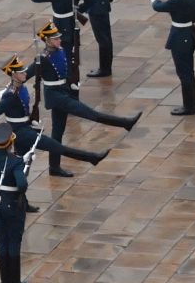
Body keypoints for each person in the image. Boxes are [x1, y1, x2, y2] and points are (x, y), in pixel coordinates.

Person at [0, 55, 108, 177]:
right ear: (13, 75)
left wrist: (31, 120)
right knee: (57, 147)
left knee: (21, 169)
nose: (25, 73)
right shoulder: (10, 95)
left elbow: (22, 109)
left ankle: (21, 202)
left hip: (25, 129)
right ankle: (92, 158)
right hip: (21, 132)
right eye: (21, 72)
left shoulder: (21, 88)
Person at [26, 23, 137, 172]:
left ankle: (54, 166)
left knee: (57, 133)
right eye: (55, 39)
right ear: (47, 41)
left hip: (63, 91)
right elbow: (25, 74)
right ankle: (124, 123)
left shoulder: (60, 51)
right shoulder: (43, 58)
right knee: (90, 114)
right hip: (56, 97)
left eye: (58, 38)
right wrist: (12, 86)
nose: (59, 40)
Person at [0, 123, 32, 283]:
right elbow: (22, 185)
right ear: (11, 141)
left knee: (2, 240)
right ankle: (14, 282)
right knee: (14, 241)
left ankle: (5, 282)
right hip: (12, 203)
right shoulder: (15, 162)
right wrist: (23, 164)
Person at [152, 0, 195, 116]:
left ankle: (189, 107)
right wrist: (189, 19)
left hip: (180, 37)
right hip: (188, 35)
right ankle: (191, 105)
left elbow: (159, 7)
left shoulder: (177, 0)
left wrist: (154, 0)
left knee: (184, 73)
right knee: (188, 72)